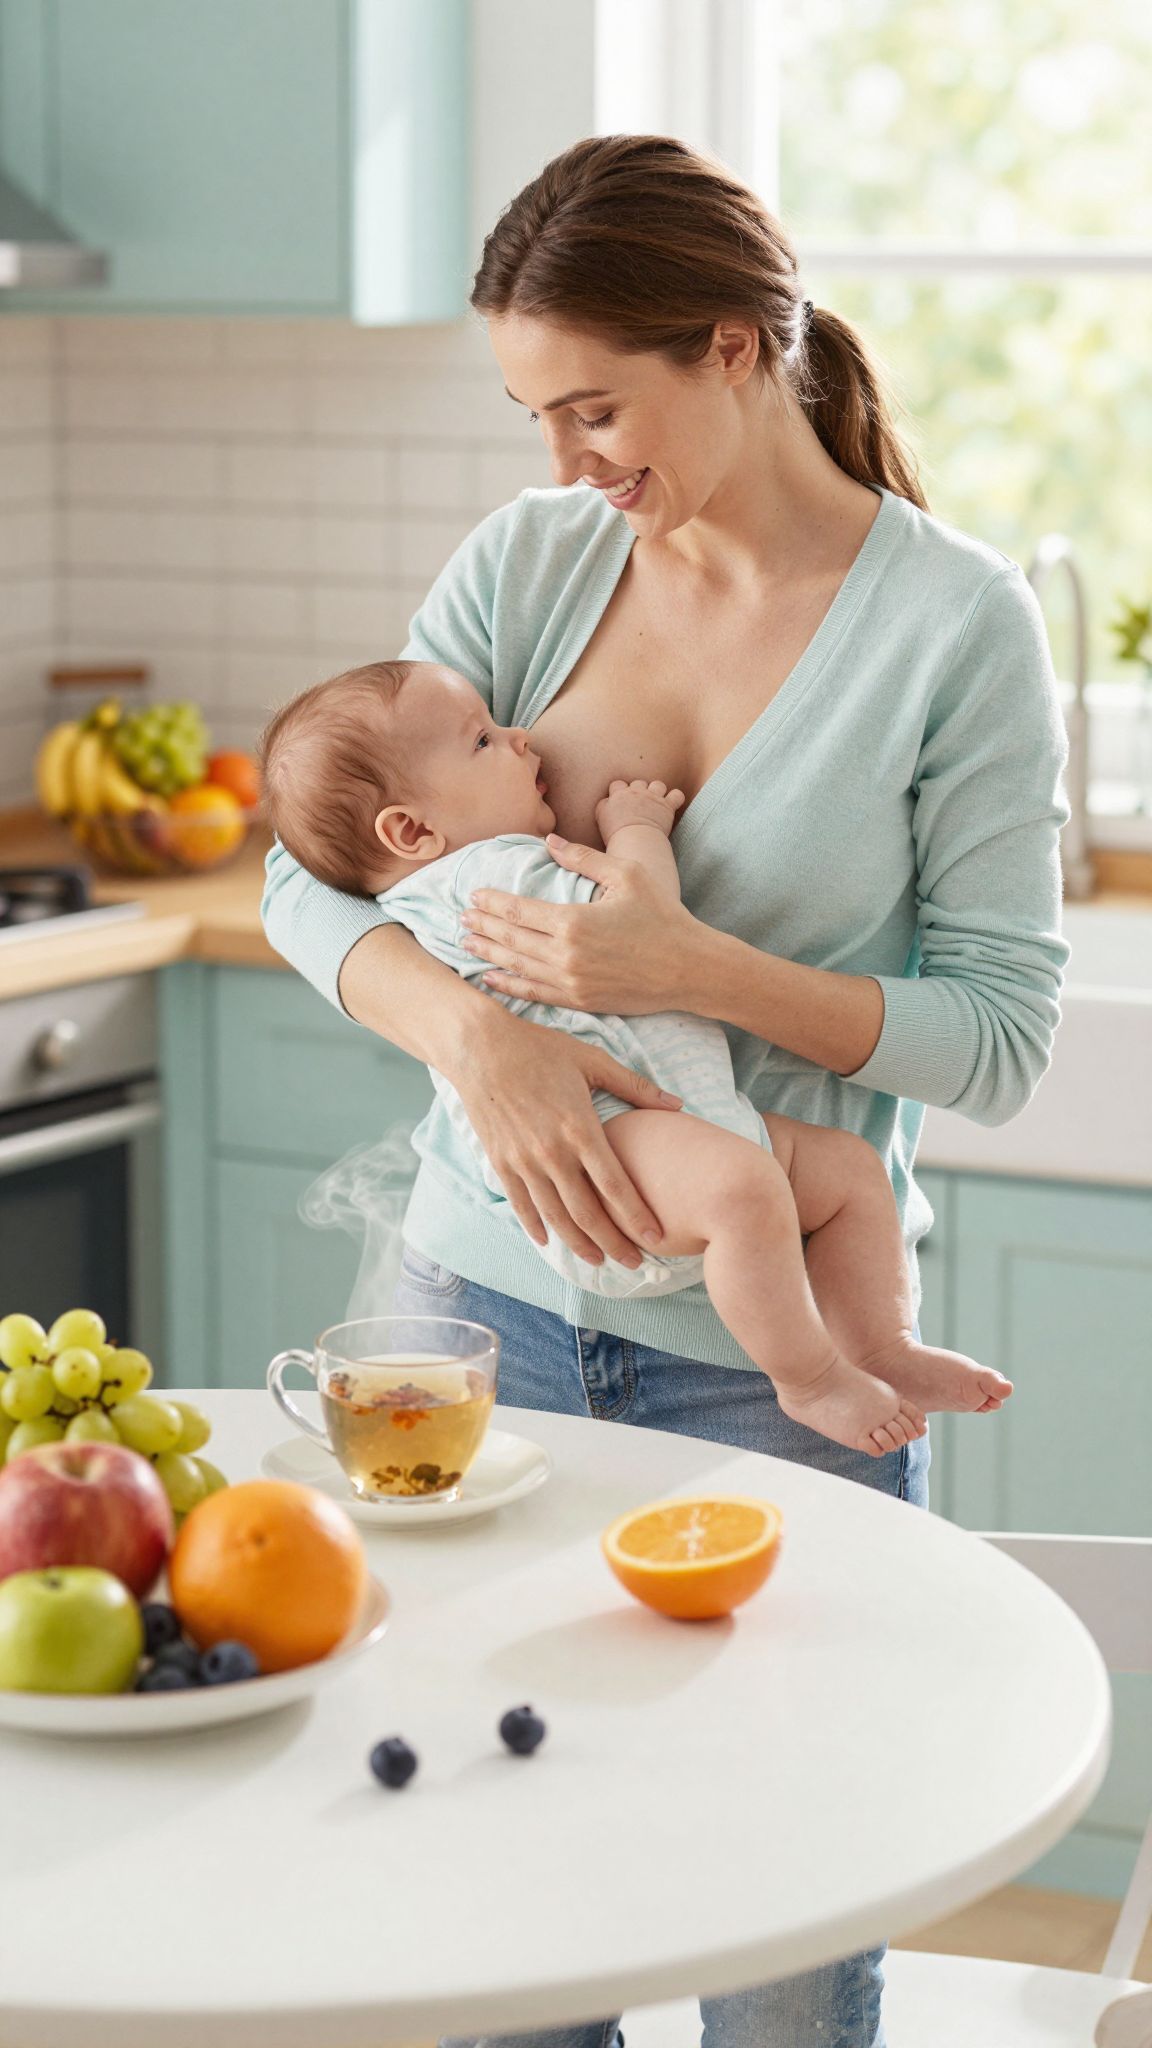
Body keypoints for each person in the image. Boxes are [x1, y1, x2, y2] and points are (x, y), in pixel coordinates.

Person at [262, 134, 1068, 2048]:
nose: (563, 464)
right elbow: (312, 872)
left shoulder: (952, 629)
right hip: (472, 1322)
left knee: (788, 1915)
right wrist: (483, 1040)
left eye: (593, 406)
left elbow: (1001, 1036)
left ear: (730, 348)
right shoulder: (536, 564)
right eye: (533, 414)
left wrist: (689, 972)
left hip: (772, 1345)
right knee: (487, 1889)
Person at [260, 658, 1015, 1458]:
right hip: (609, 1137)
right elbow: (640, 917)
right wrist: (638, 832)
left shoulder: (427, 895)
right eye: (484, 739)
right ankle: (813, 1377)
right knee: (750, 1192)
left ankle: (884, 1348)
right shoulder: (485, 877)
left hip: (673, 1126)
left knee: (847, 1174)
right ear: (412, 831)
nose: (519, 737)